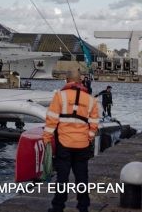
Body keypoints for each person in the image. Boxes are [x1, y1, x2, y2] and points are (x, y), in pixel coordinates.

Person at [43, 69, 99, 212]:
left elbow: (51, 121)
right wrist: (89, 137)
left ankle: (58, 207)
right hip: (82, 145)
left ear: (67, 80)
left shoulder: (59, 96)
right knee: (82, 177)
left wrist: (46, 139)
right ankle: (83, 207)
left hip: (64, 143)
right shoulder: (91, 100)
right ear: (80, 81)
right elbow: (94, 124)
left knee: (62, 177)